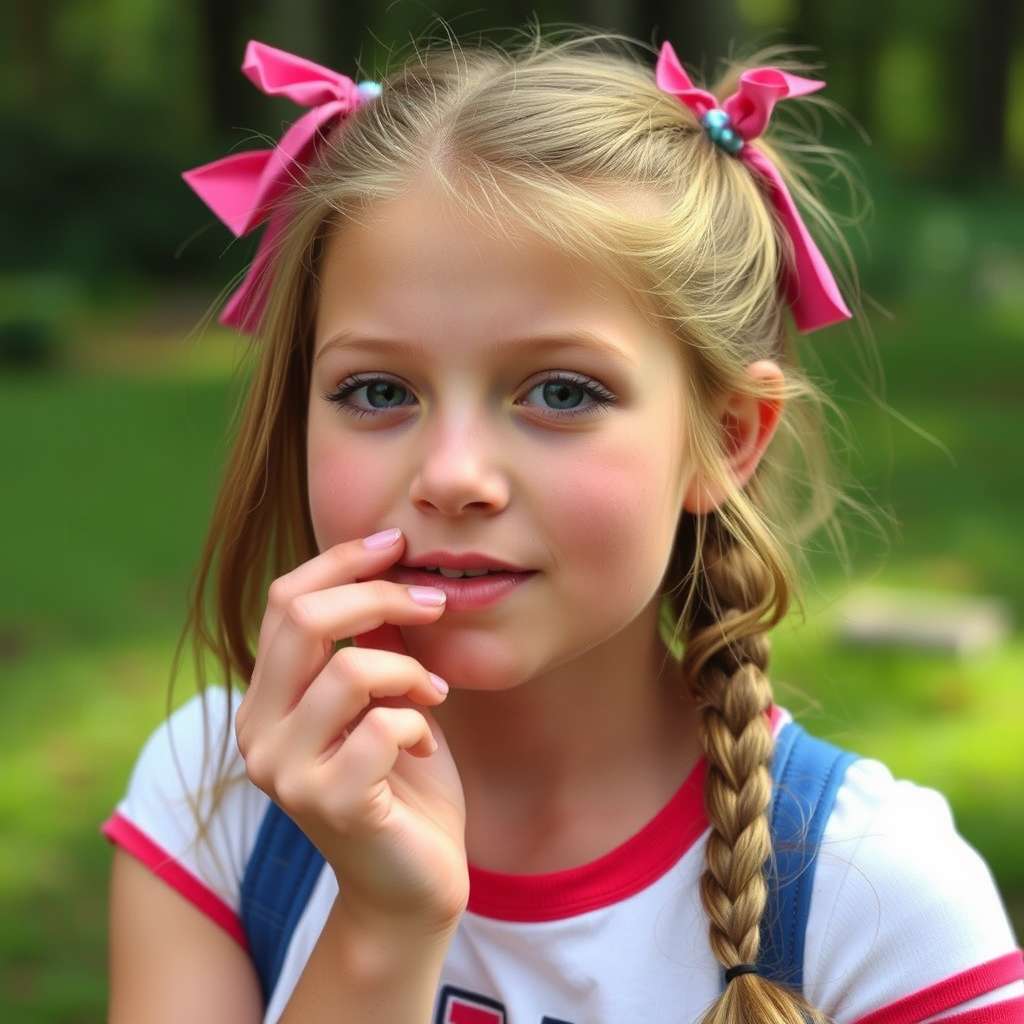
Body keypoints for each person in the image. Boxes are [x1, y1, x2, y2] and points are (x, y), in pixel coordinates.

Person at [103, 28, 1023, 1024]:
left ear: (722, 439)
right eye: (377, 388)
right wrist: (381, 926)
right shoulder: (218, 796)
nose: (452, 475)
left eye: (561, 390)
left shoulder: (878, 904)